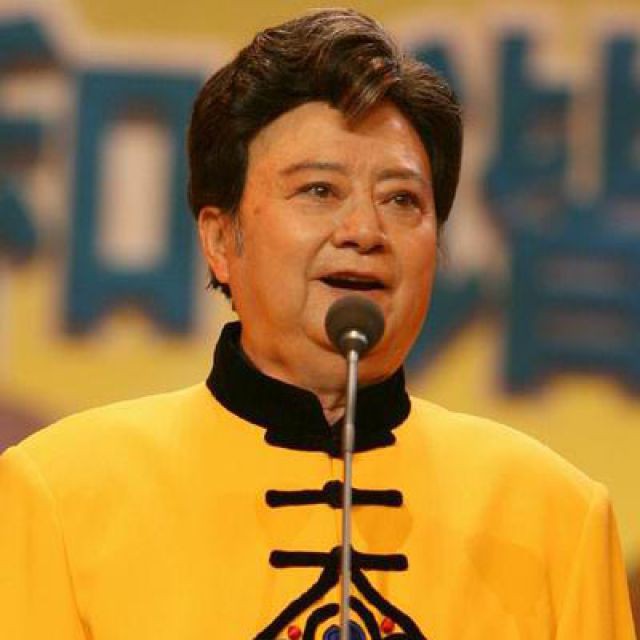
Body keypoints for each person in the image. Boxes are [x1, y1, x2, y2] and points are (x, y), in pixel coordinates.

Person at [0, 8, 635, 640]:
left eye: (402, 200)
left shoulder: (555, 517)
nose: (364, 231)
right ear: (220, 239)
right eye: (319, 191)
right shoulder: (62, 494)